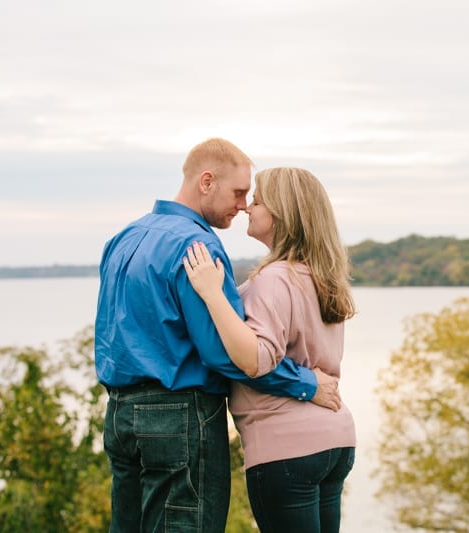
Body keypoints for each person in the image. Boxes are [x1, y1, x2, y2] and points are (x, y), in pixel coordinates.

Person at [94, 138, 342, 533]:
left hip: (120, 415)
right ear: (207, 182)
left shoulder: (122, 239)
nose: (243, 204)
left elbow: (108, 338)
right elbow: (224, 353)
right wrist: (305, 383)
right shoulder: (197, 245)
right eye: (239, 192)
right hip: (180, 417)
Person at [183, 167, 357, 533]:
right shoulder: (323, 277)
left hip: (286, 446)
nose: (247, 208)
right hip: (336, 439)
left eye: (257, 200)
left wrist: (212, 294)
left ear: (281, 212)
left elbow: (256, 360)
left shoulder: (275, 279)